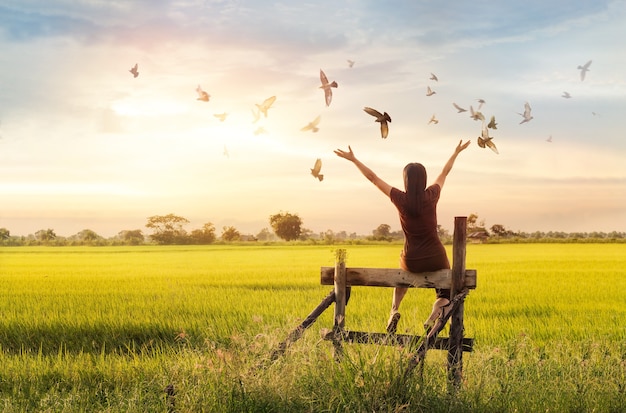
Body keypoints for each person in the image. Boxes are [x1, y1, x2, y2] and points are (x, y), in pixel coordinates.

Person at [334, 140, 471, 334]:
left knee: (402, 276)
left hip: (411, 260)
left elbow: (373, 178)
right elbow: (444, 172)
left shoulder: (400, 198)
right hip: (436, 257)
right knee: (445, 292)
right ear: (424, 179)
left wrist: (354, 160)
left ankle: (394, 310)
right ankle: (433, 315)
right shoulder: (432, 194)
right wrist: (456, 152)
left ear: (405, 180)